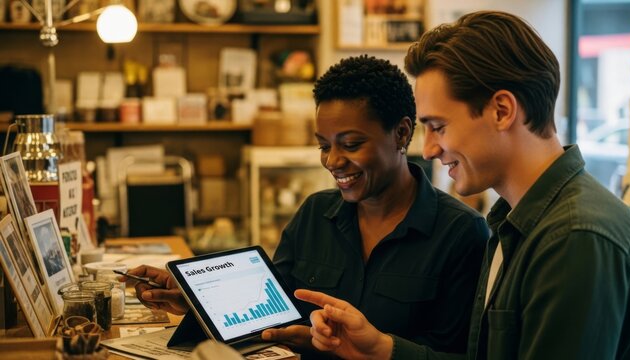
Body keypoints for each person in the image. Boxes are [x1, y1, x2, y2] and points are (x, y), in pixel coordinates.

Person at [296, 11, 630, 359]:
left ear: (502, 110)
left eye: (438, 126)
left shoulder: (575, 237)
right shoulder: (516, 223)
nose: (430, 149)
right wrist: (383, 350)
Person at [123, 55, 489, 356]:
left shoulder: (461, 233)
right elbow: (272, 313)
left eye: (350, 144)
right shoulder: (315, 214)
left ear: (402, 133)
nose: (332, 161)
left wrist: (382, 349)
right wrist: (195, 300)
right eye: (323, 146)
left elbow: (465, 356)